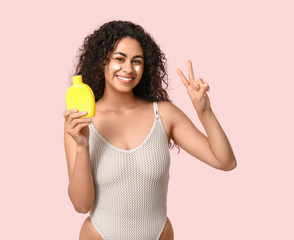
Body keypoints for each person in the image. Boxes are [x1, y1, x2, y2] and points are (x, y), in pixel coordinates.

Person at [63, 20, 236, 240]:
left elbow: (225, 161)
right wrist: (82, 145)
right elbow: (81, 204)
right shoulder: (81, 121)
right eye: (120, 59)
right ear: (102, 62)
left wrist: (205, 111)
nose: (128, 68)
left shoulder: (164, 114)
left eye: (137, 61)